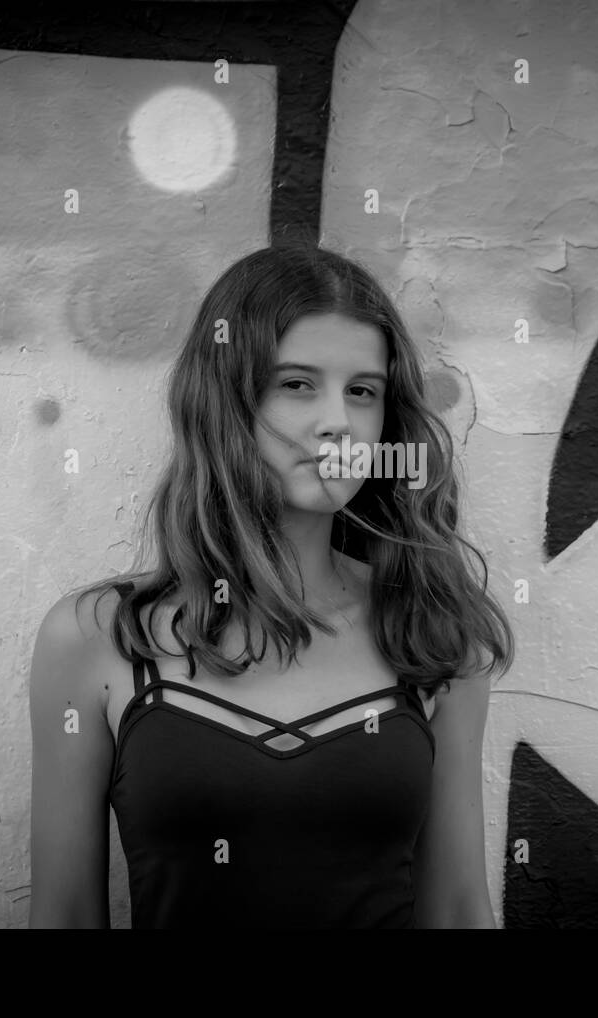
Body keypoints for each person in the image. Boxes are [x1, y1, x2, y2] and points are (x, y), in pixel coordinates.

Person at [28, 244, 514, 928]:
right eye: (296, 384)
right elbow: (65, 918)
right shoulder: (96, 639)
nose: (337, 422)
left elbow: (460, 911)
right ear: (226, 399)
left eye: (363, 392)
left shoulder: (431, 630)